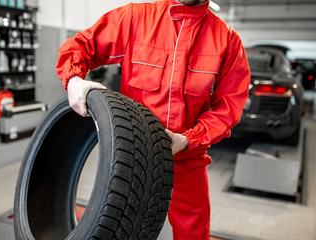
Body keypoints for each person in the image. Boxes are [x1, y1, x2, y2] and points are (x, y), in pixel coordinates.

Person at [56, 0, 251, 239]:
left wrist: (189, 140)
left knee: (194, 233)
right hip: (134, 155)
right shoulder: (135, 19)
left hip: (187, 157)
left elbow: (229, 107)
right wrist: (73, 79)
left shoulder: (227, 41)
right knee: (121, 228)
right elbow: (81, 45)